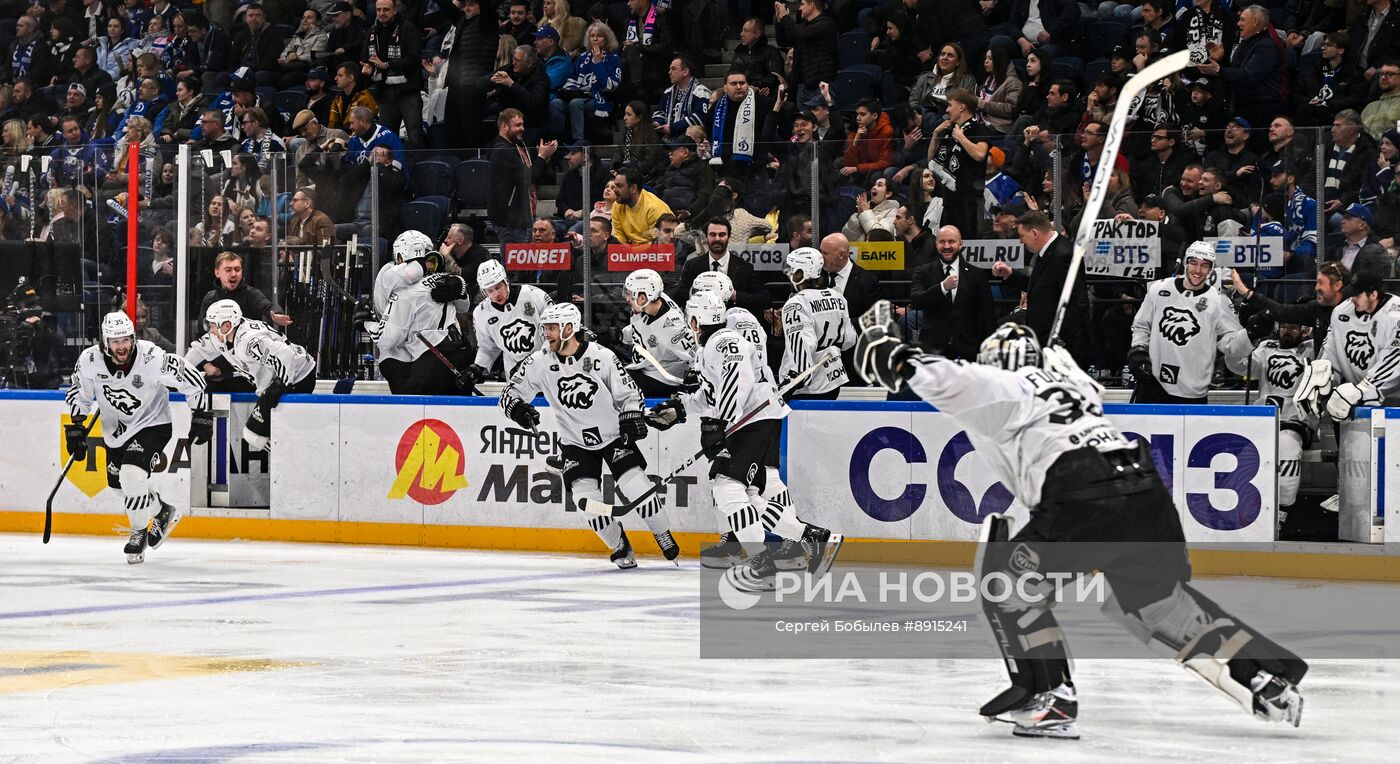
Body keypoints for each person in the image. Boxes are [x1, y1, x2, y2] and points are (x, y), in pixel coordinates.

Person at [851, 305, 1307, 739]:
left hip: (1084, 490)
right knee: (1160, 605)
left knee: (1007, 583)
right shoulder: (1075, 385)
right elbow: (1068, 373)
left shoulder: (1000, 385)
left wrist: (889, 350)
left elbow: (939, 376)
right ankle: (1263, 673)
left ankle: (1050, 695)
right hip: (1143, 488)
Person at [657, 290, 840, 586]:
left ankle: (762, 560)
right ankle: (815, 538)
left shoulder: (724, 341)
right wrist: (681, 407)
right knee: (750, 498)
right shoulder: (711, 346)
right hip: (752, 421)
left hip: (753, 422)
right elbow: (714, 393)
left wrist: (721, 422)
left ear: (695, 320)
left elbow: (735, 381)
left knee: (727, 489)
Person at [499, 302, 679, 568]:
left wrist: (631, 414)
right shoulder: (539, 362)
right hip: (575, 443)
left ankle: (661, 532)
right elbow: (509, 394)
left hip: (613, 436)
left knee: (638, 488)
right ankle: (620, 544)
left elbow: (631, 394)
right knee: (588, 504)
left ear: (569, 329)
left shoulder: (601, 356)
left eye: (551, 328)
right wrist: (517, 409)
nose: (545, 334)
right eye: (544, 328)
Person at [67, 311, 211, 563]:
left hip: (153, 424)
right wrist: (77, 425)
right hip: (116, 431)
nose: (121, 346)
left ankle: (138, 533)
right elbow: (80, 392)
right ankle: (161, 510)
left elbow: (192, 378)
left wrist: (201, 413)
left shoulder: (152, 357)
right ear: (104, 342)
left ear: (133, 338)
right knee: (118, 487)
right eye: (115, 341)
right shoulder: (90, 360)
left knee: (131, 475)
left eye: (125, 339)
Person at [1127, 241, 1253, 404]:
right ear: (1185, 263)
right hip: (1154, 382)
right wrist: (1138, 350)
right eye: (1193, 263)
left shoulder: (1218, 301)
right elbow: (1142, 325)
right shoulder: (1159, 289)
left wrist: (1251, 333)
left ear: (1211, 269)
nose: (1198, 270)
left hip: (1192, 390)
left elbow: (1231, 345)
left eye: (1204, 265)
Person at [1296, 270, 1400, 420]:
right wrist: (1319, 381)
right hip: (1353, 400)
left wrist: (1363, 390)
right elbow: (1329, 352)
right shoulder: (1340, 312)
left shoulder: (1395, 315)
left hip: (1394, 405)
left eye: (1357, 295)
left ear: (1373, 294)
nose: (1352, 299)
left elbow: (1395, 360)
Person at [992, 211, 1089, 364]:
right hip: (1044, 339)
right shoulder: (1047, 251)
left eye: (1022, 236)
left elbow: (1079, 302)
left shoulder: (1063, 255)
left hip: (1061, 347)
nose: (1021, 242)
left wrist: (1059, 337)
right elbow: (1041, 288)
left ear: (1035, 233)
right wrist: (1010, 274)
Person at [1247, 320, 1315, 526]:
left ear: (1304, 330)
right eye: (1284, 326)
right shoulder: (1266, 348)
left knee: (1286, 447)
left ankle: (1282, 511)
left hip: (1297, 419)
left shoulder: (1312, 349)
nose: (1287, 331)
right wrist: (1246, 336)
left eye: (1293, 327)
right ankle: (1248, 506)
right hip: (1264, 418)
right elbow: (1242, 365)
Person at [363, 271, 471, 395]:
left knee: (411, 405)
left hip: (433, 357)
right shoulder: (439, 278)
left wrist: (367, 323)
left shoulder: (402, 294)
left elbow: (387, 340)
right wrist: (460, 284)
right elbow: (464, 306)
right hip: (459, 350)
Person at [777, 247, 856, 399]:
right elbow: (850, 339)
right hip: (834, 378)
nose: (789, 274)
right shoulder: (837, 295)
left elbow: (803, 344)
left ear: (803, 272)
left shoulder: (797, 303)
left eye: (792, 270)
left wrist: (795, 379)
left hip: (808, 386)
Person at [908, 224, 996, 361]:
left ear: (960, 245)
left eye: (951, 241)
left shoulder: (977, 274)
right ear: (936, 244)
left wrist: (988, 349)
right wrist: (942, 287)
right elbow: (916, 300)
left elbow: (987, 315)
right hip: (933, 349)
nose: (947, 246)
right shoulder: (922, 271)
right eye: (942, 242)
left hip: (969, 350)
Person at [468, 259, 552, 382]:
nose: (496, 294)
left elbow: (555, 336)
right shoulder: (481, 313)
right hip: (516, 378)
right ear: (483, 292)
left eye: (498, 287)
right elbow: (488, 348)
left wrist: (531, 363)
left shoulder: (534, 295)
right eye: (490, 291)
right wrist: (478, 367)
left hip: (548, 371)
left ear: (505, 281)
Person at [927, 90, 993, 236]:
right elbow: (931, 160)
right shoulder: (949, 130)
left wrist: (961, 138)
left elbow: (980, 154)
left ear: (961, 107)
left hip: (969, 199)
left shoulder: (979, 128)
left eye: (950, 105)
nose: (947, 110)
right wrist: (936, 134)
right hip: (949, 198)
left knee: (967, 240)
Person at [487, 108, 557, 246]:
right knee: (514, 267)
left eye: (522, 124)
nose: (522, 128)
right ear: (504, 126)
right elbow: (526, 178)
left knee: (524, 266)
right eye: (517, 125)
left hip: (523, 218)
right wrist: (541, 157)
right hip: (511, 221)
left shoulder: (518, 148)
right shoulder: (503, 151)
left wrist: (544, 160)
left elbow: (534, 178)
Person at [622, 268, 696, 397]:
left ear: (642, 298)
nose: (627, 298)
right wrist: (620, 335)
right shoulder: (652, 302)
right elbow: (644, 328)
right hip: (645, 369)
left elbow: (695, 356)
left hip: (662, 380)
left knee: (614, 383)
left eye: (629, 294)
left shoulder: (673, 328)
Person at [673, 218, 764, 316]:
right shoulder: (692, 265)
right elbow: (679, 295)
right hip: (701, 321)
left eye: (722, 235)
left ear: (728, 238)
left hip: (733, 321)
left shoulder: (745, 267)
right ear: (706, 237)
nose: (717, 239)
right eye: (712, 234)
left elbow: (763, 299)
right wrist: (699, 292)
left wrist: (734, 295)